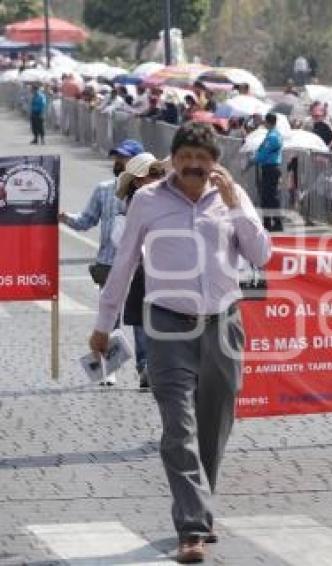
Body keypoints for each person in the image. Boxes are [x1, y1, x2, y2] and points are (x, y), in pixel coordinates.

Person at [88, 122, 271, 563]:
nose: (192, 166)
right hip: (167, 326)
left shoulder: (234, 197)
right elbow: (124, 262)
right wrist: (103, 323)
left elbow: (262, 255)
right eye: (185, 157)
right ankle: (191, 527)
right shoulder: (148, 201)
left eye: (201, 159)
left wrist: (235, 207)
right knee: (179, 428)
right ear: (173, 159)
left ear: (214, 163)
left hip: (223, 324)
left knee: (214, 426)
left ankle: (199, 510)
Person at [60, 139, 144, 384]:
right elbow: (86, 220)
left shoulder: (150, 192)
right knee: (110, 317)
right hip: (109, 263)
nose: (118, 162)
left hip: (141, 265)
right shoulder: (103, 189)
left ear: (138, 163)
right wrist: (65, 217)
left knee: (141, 319)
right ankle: (110, 368)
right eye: (117, 157)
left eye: (124, 158)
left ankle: (145, 369)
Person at [112, 153, 168, 389]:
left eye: (159, 174)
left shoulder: (172, 197)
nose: (157, 179)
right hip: (143, 269)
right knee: (141, 318)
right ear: (137, 182)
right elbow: (124, 245)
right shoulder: (134, 204)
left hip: (171, 272)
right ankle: (145, 365)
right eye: (151, 175)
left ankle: (160, 365)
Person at [254, 113, 284, 232]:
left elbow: (264, 153)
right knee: (268, 196)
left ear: (268, 122)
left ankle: (275, 222)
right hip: (270, 168)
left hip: (270, 168)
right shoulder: (273, 135)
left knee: (269, 197)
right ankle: (268, 222)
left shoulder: (272, 137)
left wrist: (253, 159)